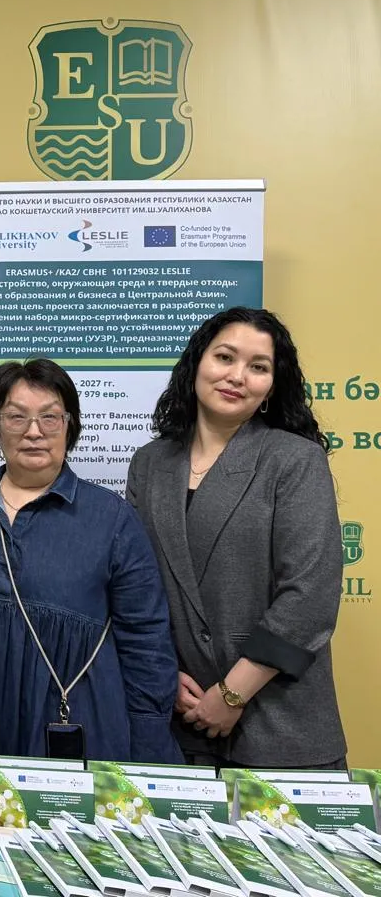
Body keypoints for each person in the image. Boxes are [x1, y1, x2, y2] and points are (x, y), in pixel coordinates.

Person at [0, 358, 179, 761]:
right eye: (16, 417)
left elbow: (145, 640)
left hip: (71, 725)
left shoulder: (112, 520)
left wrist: (148, 739)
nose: (34, 432)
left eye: (50, 417)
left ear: (69, 425)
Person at [126, 307, 344, 768]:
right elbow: (136, 586)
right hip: (177, 719)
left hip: (278, 721)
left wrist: (231, 693)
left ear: (271, 387)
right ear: (196, 364)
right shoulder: (150, 463)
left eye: (258, 367)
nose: (237, 376)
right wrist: (164, 672)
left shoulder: (295, 460)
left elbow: (309, 597)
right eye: (225, 357)